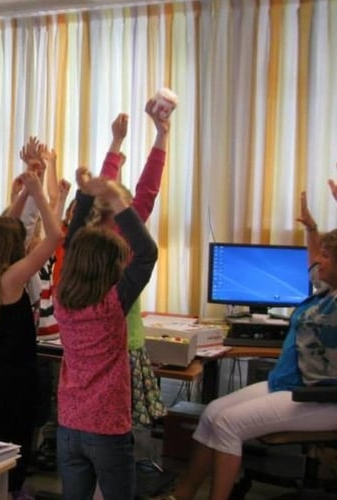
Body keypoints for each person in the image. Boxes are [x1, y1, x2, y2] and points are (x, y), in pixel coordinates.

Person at [172, 190, 337, 500]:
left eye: (327, 256)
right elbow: (314, 263)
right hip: (289, 384)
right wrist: (312, 229)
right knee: (213, 412)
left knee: (229, 424)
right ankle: (182, 494)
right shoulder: (325, 290)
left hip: (321, 397)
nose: (319, 261)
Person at [54, 170, 158, 500]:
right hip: (109, 429)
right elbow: (147, 252)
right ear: (113, 266)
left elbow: (72, 245)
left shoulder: (61, 300)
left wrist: (85, 196)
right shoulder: (113, 305)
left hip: (69, 425)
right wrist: (115, 200)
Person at [0, 171, 65, 498]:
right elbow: (53, 239)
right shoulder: (11, 279)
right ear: (10, 247)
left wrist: (24, 197)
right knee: (13, 455)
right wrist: (40, 194)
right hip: (13, 382)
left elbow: (3, 227)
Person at [97, 103, 171, 427]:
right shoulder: (107, 234)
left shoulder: (114, 234)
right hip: (114, 344)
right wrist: (159, 134)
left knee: (112, 422)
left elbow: (146, 189)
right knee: (113, 424)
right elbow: (142, 190)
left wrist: (118, 142)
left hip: (121, 343)